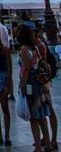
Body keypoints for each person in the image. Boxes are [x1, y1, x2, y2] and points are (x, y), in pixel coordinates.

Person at [17, 23, 51, 152]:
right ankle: (47, 144)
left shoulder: (24, 49)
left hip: (31, 84)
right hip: (39, 83)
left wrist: (22, 86)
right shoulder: (35, 47)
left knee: (33, 117)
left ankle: (38, 146)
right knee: (42, 116)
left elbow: (26, 69)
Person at [34, 22, 58, 151]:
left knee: (49, 109)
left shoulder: (40, 45)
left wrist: (45, 81)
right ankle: (46, 137)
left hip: (43, 80)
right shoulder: (34, 44)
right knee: (43, 110)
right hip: (42, 80)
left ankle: (53, 139)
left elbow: (42, 64)